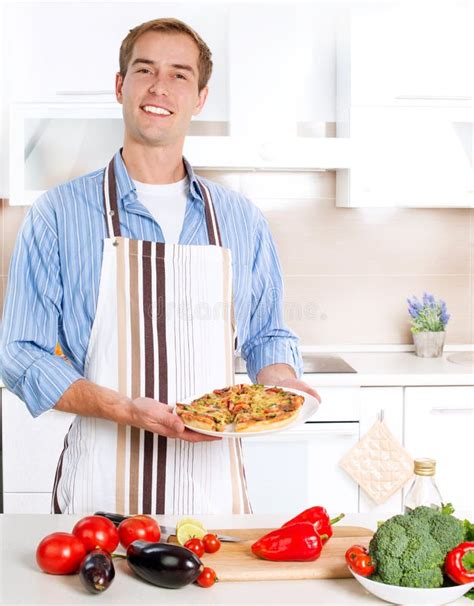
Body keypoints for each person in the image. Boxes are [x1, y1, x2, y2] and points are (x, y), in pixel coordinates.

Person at [0, 18, 320, 515]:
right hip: (101, 488)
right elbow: (20, 352)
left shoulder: (241, 220)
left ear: (200, 97)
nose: (159, 87)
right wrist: (122, 408)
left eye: (179, 75)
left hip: (213, 491)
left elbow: (266, 336)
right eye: (144, 69)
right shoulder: (57, 215)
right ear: (120, 85)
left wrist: (280, 384)